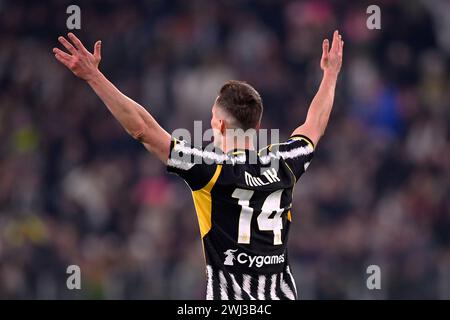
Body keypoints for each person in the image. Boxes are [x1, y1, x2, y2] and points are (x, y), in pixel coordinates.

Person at [53, 30, 343, 300]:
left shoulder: (211, 169)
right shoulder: (285, 163)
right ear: (258, 125)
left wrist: (93, 76)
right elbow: (314, 125)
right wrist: (330, 74)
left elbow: (142, 129)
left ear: (217, 124)